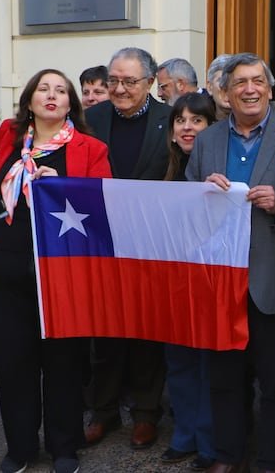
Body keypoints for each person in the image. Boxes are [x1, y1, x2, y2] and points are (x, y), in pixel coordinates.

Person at [185, 53, 275, 473]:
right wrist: (202, 193)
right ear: (225, 92)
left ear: (271, 89)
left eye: (258, 81)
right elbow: (187, 201)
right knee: (224, 379)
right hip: (221, 281)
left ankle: (271, 458)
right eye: (240, 82)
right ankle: (229, 455)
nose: (250, 89)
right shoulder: (207, 140)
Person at [0, 69, 112, 473]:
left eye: (61, 90)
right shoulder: (6, 138)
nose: (52, 95)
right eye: (43, 89)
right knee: (13, 363)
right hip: (7, 268)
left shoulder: (91, 148)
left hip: (62, 273)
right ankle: (20, 447)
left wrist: (64, 187)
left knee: (63, 364)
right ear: (29, 100)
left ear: (71, 103)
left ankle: (64, 446)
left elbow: (103, 205)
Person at [83, 47, 171, 449]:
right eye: (113, 80)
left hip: (151, 243)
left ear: (150, 82)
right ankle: (103, 412)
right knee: (104, 332)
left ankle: (146, 414)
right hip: (101, 241)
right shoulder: (91, 119)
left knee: (146, 333)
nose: (119, 89)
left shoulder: (170, 119)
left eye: (129, 81)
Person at [159, 91, 219, 471]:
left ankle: (210, 441)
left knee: (208, 364)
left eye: (197, 120)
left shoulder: (218, 165)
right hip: (172, 280)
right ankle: (184, 435)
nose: (187, 127)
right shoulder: (163, 167)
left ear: (212, 127)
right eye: (180, 120)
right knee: (179, 362)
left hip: (211, 280)